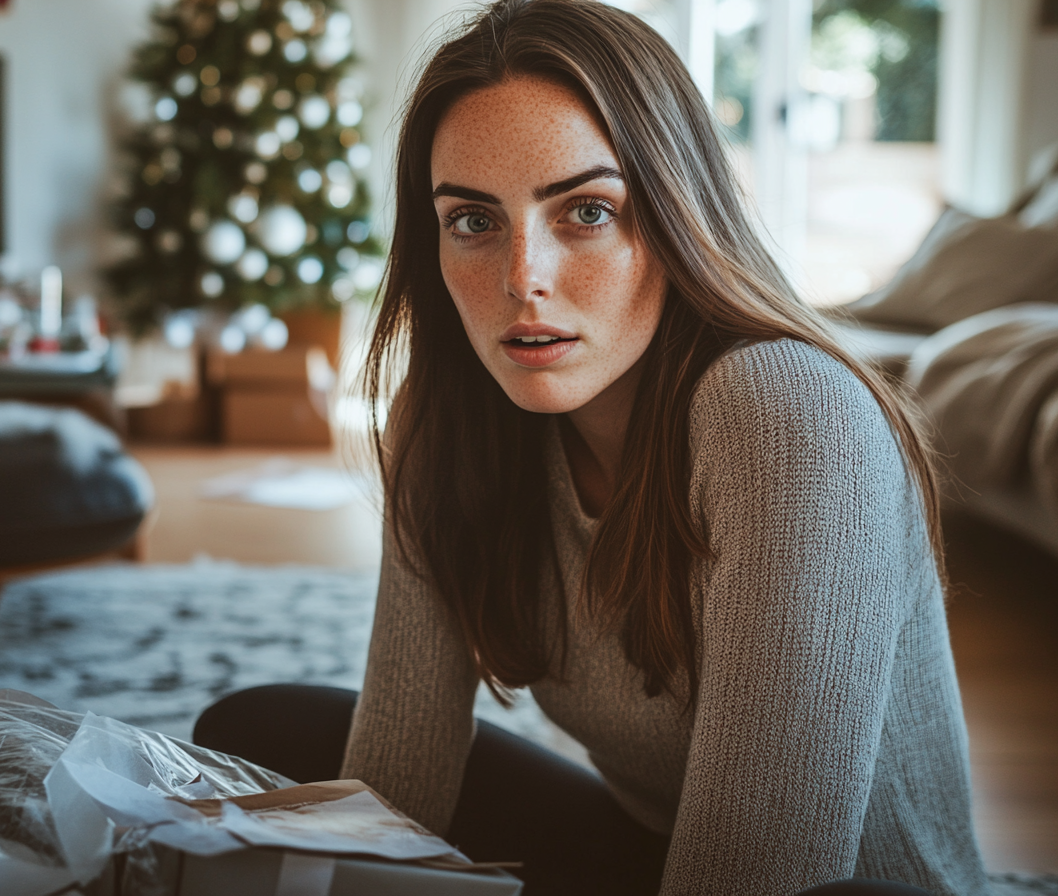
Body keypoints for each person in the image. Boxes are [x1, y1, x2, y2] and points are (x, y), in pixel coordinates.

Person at [195, 1, 990, 894]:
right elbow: (399, 787)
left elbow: (764, 875)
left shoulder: (790, 415)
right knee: (258, 732)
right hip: (650, 854)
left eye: (585, 210)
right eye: (473, 220)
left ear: (676, 210)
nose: (521, 277)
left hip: (821, 885)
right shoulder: (451, 413)